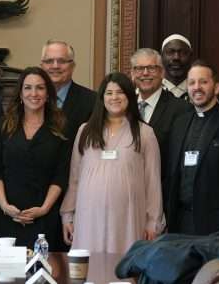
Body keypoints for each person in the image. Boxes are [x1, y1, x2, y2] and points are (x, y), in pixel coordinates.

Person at [60, 72, 164, 255]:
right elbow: (74, 178)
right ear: (102, 98)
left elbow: (153, 182)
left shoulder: (145, 133)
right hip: (89, 216)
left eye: (120, 92)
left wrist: (153, 222)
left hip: (128, 218)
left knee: (123, 267)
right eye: (109, 93)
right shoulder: (85, 131)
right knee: (90, 266)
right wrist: (67, 214)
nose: (114, 97)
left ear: (129, 96)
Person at [165, 61, 219, 235]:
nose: (197, 87)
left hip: (217, 225)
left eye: (203, 82)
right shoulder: (179, 123)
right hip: (180, 223)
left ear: (217, 88)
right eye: (192, 83)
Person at [0, 67, 71, 248]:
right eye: (28, 88)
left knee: (45, 265)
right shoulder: (4, 125)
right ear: (20, 93)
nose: (34, 93)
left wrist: (44, 209)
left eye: (40, 88)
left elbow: (61, 174)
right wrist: (4, 206)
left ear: (48, 94)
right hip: (8, 216)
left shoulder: (60, 128)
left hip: (45, 217)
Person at [131, 47, 190, 183]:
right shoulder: (125, 106)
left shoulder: (181, 110)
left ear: (162, 72)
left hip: (163, 187)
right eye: (139, 68)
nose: (145, 73)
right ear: (132, 73)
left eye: (151, 68)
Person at [40, 39, 97, 142]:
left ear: (72, 66)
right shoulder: (31, 99)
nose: (55, 66)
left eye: (62, 61)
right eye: (49, 61)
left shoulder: (92, 101)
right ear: (42, 66)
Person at [160, 34, 193, 100]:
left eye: (182, 52)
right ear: (162, 55)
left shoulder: (198, 90)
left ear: (191, 55)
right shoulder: (151, 90)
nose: (176, 57)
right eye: (170, 52)